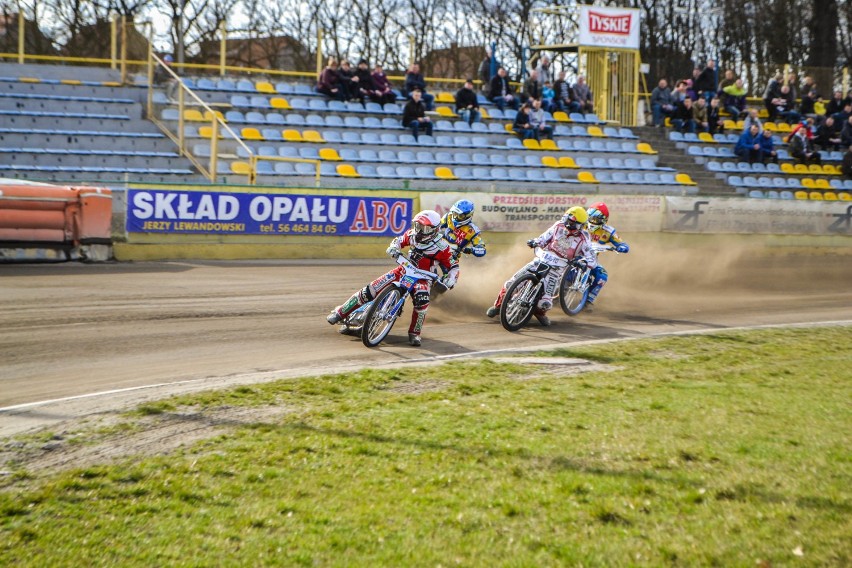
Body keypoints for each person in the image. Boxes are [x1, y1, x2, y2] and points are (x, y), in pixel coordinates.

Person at [326, 210, 458, 347]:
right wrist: (394, 247)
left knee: (422, 301)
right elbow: (399, 240)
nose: (418, 231)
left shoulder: (443, 247)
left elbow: (454, 267)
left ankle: (415, 333)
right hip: (403, 270)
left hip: (423, 278)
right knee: (370, 290)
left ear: (434, 230)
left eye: (423, 228)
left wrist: (450, 279)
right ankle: (340, 313)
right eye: (417, 226)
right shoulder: (412, 235)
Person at [484, 206, 596, 327]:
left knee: (545, 303)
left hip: (557, 269)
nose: (570, 226)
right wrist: (535, 242)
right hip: (540, 260)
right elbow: (543, 238)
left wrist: (584, 263)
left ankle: (540, 313)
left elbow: (591, 257)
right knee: (510, 284)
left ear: (581, 225)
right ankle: (497, 306)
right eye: (569, 221)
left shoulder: (584, 238)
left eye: (575, 224)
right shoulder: (558, 226)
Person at [584, 202, 629, 309]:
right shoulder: (581, 224)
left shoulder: (608, 231)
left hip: (592, 259)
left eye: (595, 219)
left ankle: (588, 301)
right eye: (590, 217)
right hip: (574, 255)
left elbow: (622, 243)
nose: (592, 221)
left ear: (604, 220)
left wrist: (622, 247)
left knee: (602, 276)